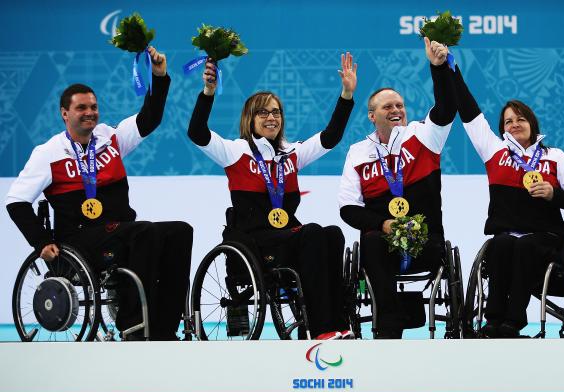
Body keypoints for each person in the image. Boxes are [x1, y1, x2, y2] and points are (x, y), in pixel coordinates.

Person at [5, 46, 192, 341]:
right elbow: (16, 201)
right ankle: (134, 325)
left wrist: (159, 77)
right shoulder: (48, 153)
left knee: (180, 231)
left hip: (120, 229)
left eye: (93, 106)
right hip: (79, 239)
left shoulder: (110, 137)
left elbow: (150, 118)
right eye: (81, 108)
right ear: (64, 113)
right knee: (142, 233)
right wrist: (41, 242)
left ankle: (165, 327)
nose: (90, 112)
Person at [187, 52, 357, 340]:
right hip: (254, 242)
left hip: (288, 239)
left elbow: (331, 136)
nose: (271, 117)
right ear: (249, 119)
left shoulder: (291, 154)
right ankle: (320, 328)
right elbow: (197, 131)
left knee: (332, 234)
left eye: (276, 112)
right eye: (263, 112)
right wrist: (208, 92)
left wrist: (346, 95)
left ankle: (339, 323)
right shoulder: (234, 151)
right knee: (314, 232)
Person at [451, 66, 564, 338]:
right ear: (502, 129)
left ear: (532, 123)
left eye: (520, 119)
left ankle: (513, 323)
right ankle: (493, 321)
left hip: (544, 237)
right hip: (507, 234)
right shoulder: (494, 151)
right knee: (502, 244)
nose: (514, 124)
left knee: (525, 245)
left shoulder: (556, 157)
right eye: (508, 121)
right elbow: (469, 113)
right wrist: (451, 68)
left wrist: (553, 193)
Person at [337, 37, 456, 339]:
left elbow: (444, 109)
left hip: (425, 241)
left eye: (400, 105)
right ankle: (389, 327)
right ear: (371, 115)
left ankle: (391, 323)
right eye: (387, 106)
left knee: (384, 243)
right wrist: (383, 224)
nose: (396, 109)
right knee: (373, 242)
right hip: (381, 245)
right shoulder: (358, 151)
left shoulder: (423, 135)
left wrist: (438, 67)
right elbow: (348, 208)